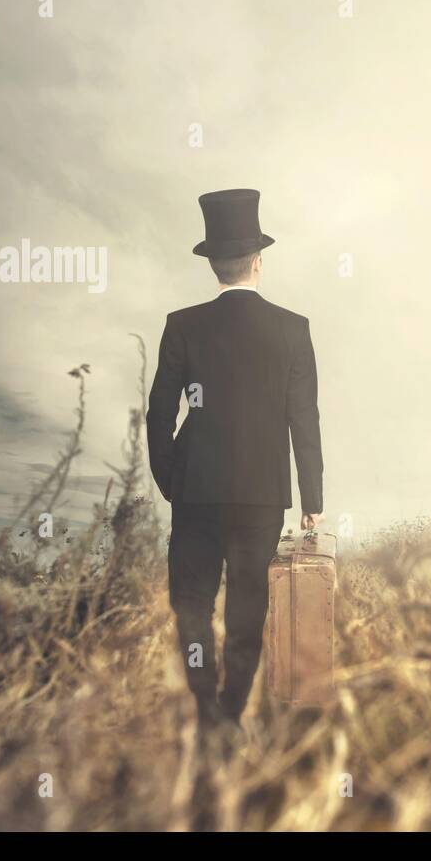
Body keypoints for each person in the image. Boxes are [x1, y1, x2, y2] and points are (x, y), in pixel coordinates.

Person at [146, 188, 324, 733]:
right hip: (263, 494)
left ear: (214, 266)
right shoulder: (293, 329)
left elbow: (158, 413)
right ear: (258, 261)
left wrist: (172, 479)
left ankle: (206, 712)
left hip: (196, 489)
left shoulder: (182, 324)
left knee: (192, 604)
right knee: (248, 612)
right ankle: (231, 711)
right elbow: (304, 419)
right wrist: (311, 501)